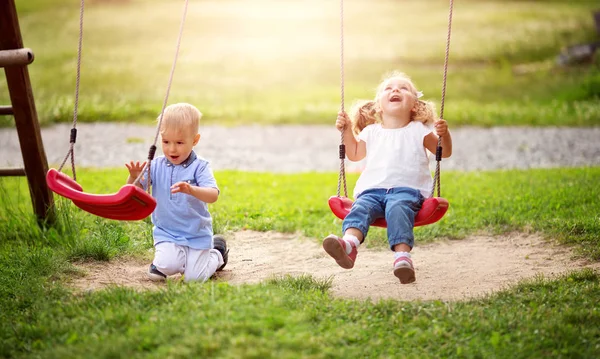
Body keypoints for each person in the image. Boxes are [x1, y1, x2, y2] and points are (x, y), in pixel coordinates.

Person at [323, 71, 452, 284]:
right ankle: (348, 245)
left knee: (398, 209)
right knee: (360, 209)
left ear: (414, 105)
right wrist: (346, 130)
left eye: (403, 88)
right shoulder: (371, 132)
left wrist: (444, 135)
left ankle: (402, 258)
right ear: (378, 105)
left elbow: (443, 152)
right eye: (389, 88)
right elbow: (354, 154)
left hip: (407, 191)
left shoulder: (419, 130)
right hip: (371, 191)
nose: (395, 90)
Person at [125, 103, 228, 282]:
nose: (172, 149)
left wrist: (191, 189)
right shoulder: (155, 165)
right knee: (159, 272)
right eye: (166, 142)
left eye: (179, 143)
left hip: (196, 233)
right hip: (167, 233)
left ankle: (216, 254)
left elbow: (213, 195)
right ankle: (173, 261)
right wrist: (133, 177)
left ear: (195, 140)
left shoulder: (200, 167)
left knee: (194, 279)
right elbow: (135, 192)